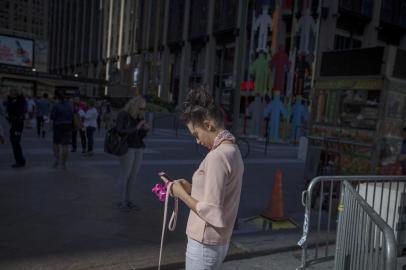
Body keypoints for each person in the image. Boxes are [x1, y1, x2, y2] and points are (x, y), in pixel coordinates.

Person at [166, 88, 244, 269]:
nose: (197, 141)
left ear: (208, 125)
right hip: (218, 240)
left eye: (196, 134)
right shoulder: (233, 150)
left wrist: (180, 193)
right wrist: (192, 188)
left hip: (204, 241)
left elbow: (211, 210)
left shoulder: (218, 156)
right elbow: (219, 194)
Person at [115, 96, 149, 211]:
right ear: (134, 106)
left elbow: (140, 136)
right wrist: (137, 127)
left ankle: (129, 201)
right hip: (127, 148)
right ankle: (121, 202)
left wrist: (145, 129)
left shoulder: (140, 116)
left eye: (144, 109)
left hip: (138, 148)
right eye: (140, 108)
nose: (142, 111)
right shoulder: (123, 114)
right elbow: (120, 131)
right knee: (125, 175)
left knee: (133, 176)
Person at [50, 92, 74, 169]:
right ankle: (63, 164)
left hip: (58, 126)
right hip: (68, 126)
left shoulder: (56, 105)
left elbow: (53, 117)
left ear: (58, 98)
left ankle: (57, 160)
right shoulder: (70, 105)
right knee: (65, 145)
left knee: (56, 144)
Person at [6, 89, 27, 168]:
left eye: (11, 93)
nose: (10, 95)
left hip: (17, 125)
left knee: (15, 142)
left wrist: (11, 118)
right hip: (15, 125)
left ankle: (20, 161)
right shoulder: (13, 101)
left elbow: (18, 114)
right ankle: (20, 160)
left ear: (15, 95)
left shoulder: (18, 102)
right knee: (15, 142)